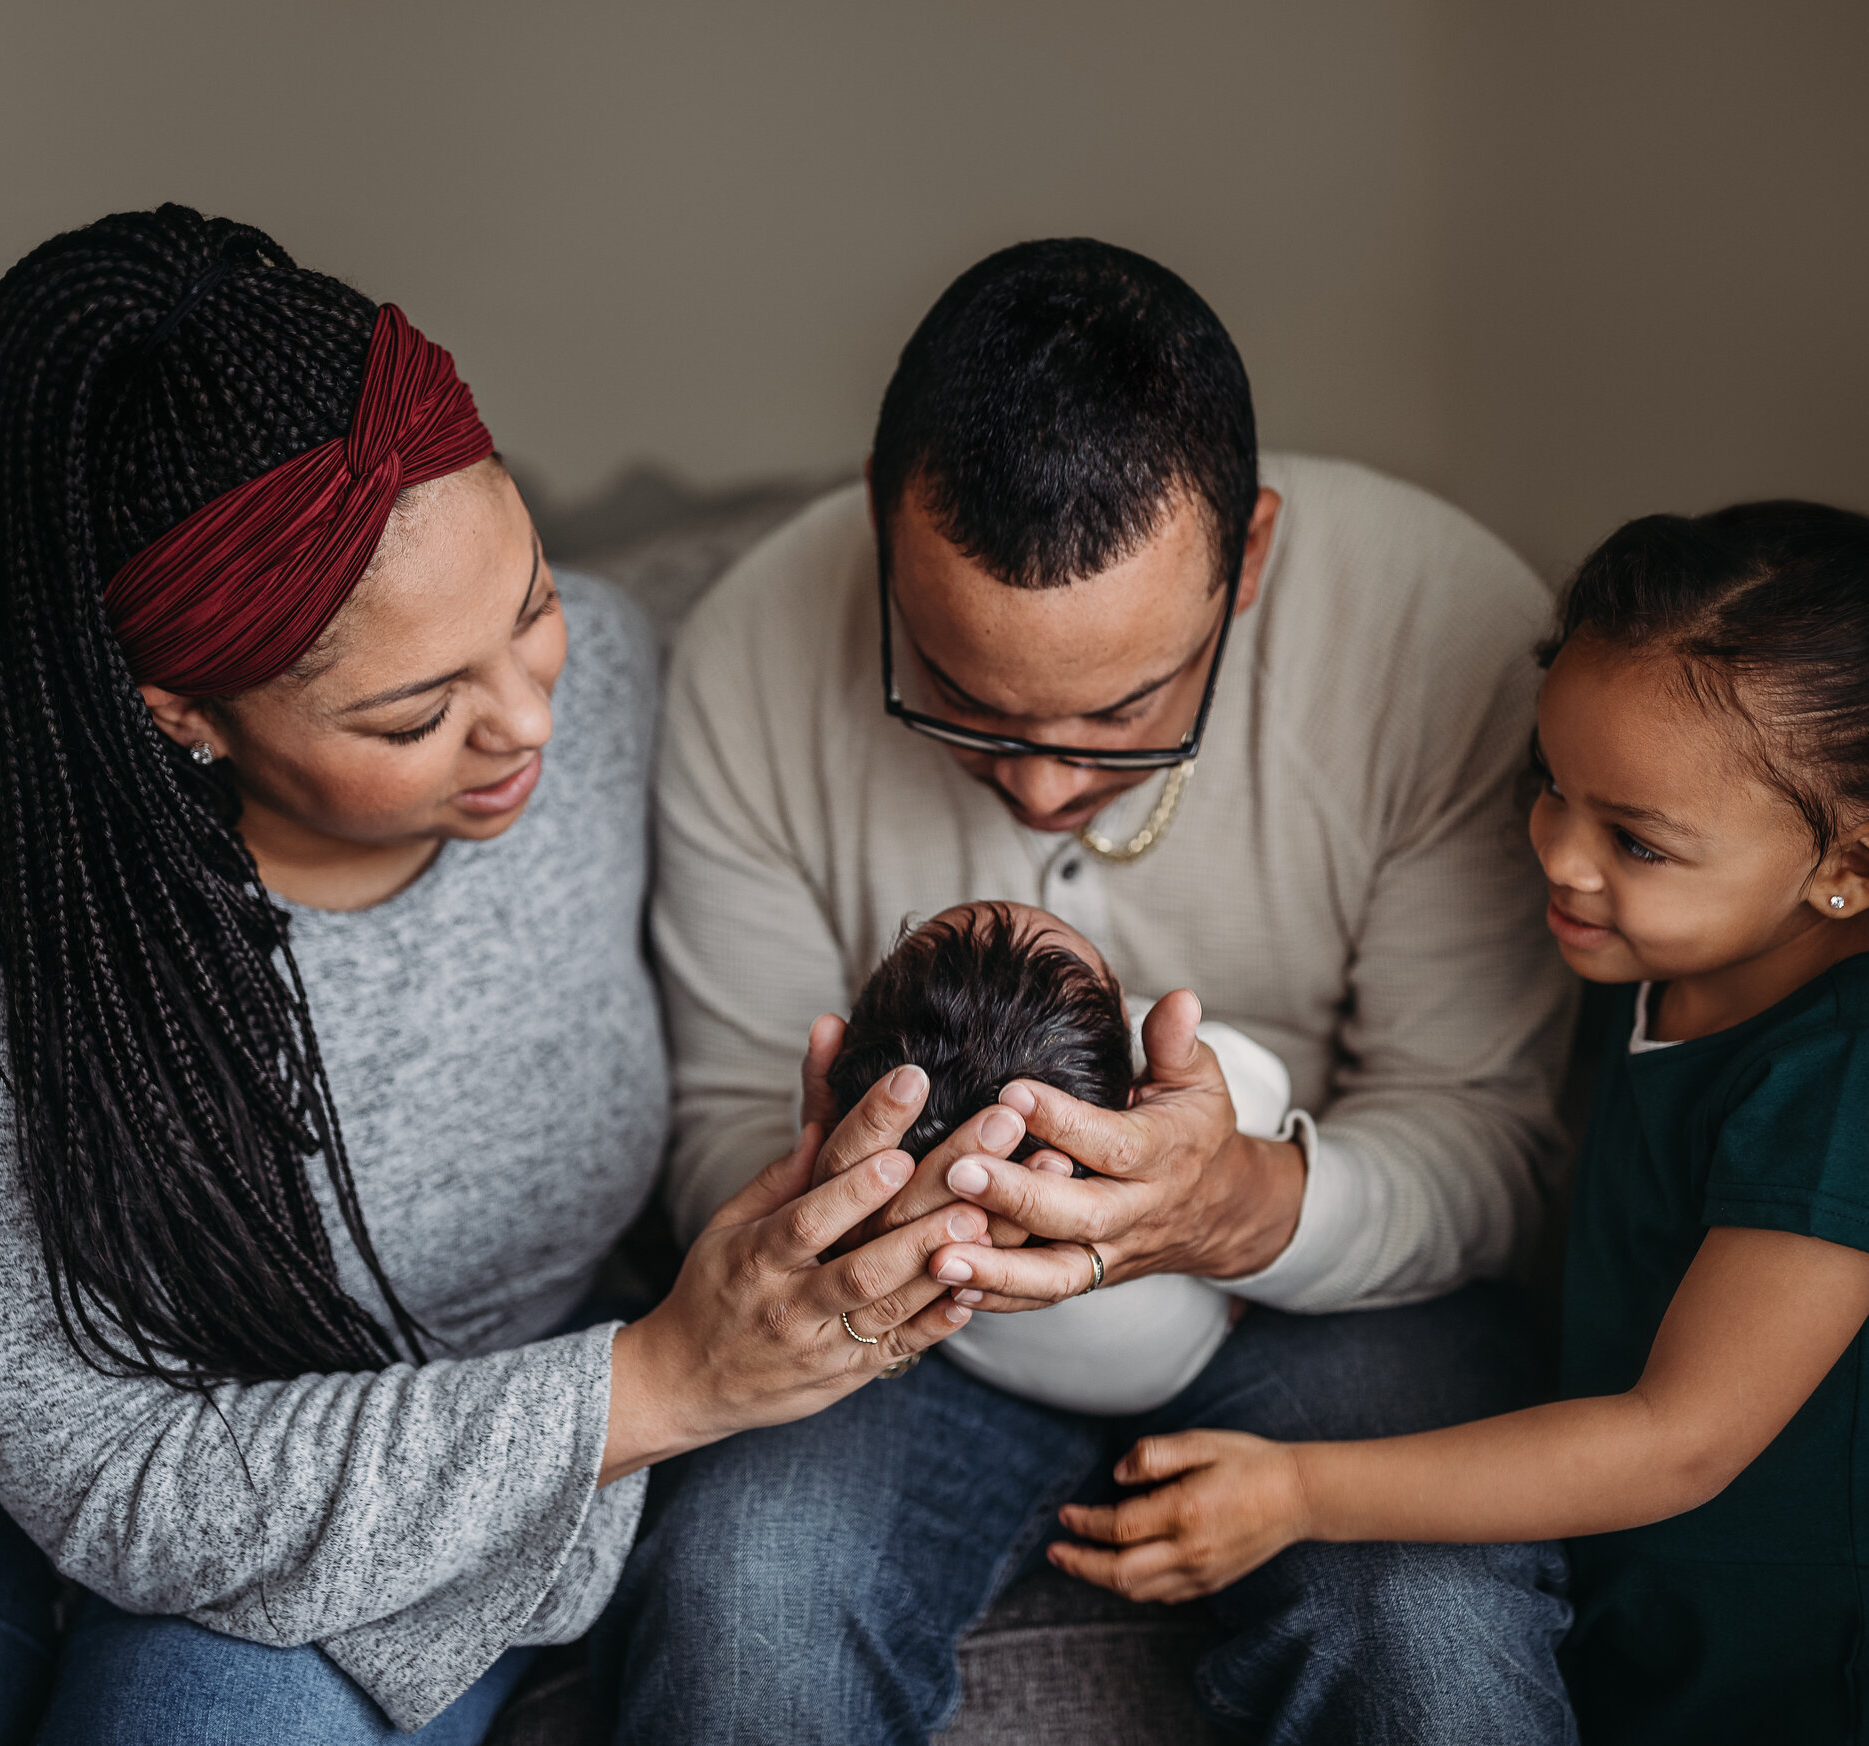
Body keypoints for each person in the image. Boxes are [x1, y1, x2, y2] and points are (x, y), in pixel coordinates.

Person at [0, 205, 979, 1746]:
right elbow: (116, 1475)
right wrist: (662, 1383)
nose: (525, 721)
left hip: (441, 1442)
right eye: (417, 714)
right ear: (184, 716)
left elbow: (912, 568)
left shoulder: (634, 677)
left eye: (530, 607)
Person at [607, 238, 1581, 1743]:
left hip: (1335, 1303)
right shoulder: (750, 652)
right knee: (748, 1598)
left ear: (1248, 557)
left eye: (1126, 711)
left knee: (1430, 1633)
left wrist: (1238, 1207)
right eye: (965, 700)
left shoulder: (1441, 635)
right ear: (881, 517)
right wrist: (839, 1191)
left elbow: (1494, 1142)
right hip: (907, 1328)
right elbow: (717, 1132)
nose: (1044, 786)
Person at [1051, 501, 1869, 1745]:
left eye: (1637, 842)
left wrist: (1296, 1489)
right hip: (1655, 1659)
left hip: (1841, 1697)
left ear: (1855, 867)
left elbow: (1676, 1442)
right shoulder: (1658, 983)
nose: (1558, 855)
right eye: (1551, 789)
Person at [827, 900, 1294, 1415]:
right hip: (1177, 1365)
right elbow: (1271, 1081)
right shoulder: (1194, 1116)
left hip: (974, 1368)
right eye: (1123, 1002)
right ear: (1134, 1098)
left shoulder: (849, 1156)